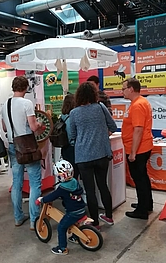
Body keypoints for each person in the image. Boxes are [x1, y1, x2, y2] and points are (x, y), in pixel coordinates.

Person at [70, 81, 117, 228]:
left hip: (83, 157)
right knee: (103, 185)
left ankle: (95, 222)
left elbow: (72, 136)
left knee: (90, 190)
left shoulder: (74, 113)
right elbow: (113, 127)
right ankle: (109, 216)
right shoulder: (101, 107)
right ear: (93, 94)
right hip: (102, 154)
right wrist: (101, 135)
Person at [1, 76, 42, 230]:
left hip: (13, 146)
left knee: (16, 183)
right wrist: (40, 125)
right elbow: (33, 127)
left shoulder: (6, 104)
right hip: (28, 147)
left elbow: (5, 128)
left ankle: (18, 217)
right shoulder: (27, 103)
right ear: (26, 88)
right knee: (35, 182)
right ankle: (34, 219)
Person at [36, 160, 86, 256]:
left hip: (73, 212)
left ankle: (62, 248)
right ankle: (75, 237)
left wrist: (42, 200)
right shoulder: (74, 181)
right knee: (74, 223)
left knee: (61, 227)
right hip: (81, 208)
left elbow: (53, 196)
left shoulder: (63, 188)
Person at [121, 78, 153, 220]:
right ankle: (146, 204)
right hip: (141, 147)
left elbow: (138, 129)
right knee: (143, 178)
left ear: (131, 89)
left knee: (139, 179)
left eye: (123, 89)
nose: (122, 91)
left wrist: (133, 152)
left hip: (138, 149)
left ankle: (142, 210)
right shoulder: (139, 102)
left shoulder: (138, 105)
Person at [60, 94, 79, 179]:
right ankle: (75, 190)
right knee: (75, 173)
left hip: (65, 148)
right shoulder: (71, 118)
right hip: (72, 148)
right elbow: (71, 135)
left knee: (69, 173)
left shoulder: (62, 117)